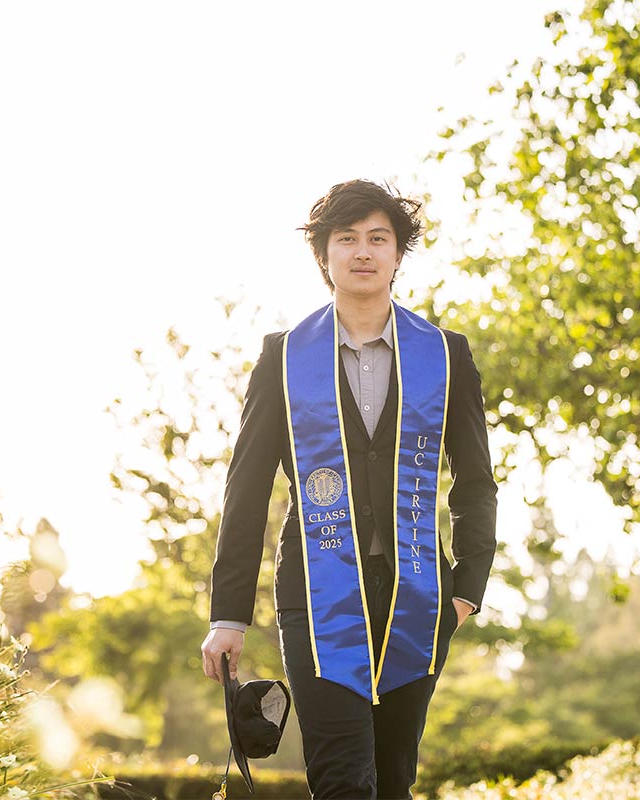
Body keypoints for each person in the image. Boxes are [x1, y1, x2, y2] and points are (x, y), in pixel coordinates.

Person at [200, 179, 498, 799]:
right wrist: (229, 616)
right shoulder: (284, 358)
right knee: (341, 780)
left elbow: (475, 480)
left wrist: (467, 589)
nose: (363, 251)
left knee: (392, 781)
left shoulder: (445, 355)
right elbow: (246, 490)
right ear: (324, 254)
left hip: (418, 594)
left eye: (378, 238)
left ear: (398, 254)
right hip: (316, 595)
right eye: (347, 238)